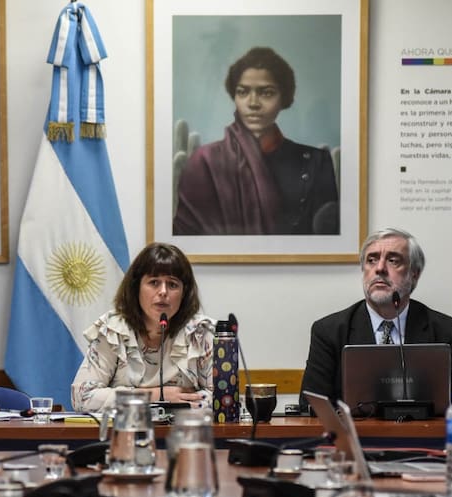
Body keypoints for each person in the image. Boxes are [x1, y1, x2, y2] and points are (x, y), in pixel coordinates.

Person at [299, 227, 452, 411]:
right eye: (371, 260)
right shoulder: (329, 332)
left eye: (393, 260)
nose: (380, 269)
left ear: (414, 274)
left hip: (425, 438)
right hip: (356, 438)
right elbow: (310, 408)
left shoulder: (448, 332)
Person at [173, 46, 339, 236]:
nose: (253, 103)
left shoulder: (316, 162)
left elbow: (326, 240)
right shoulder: (204, 161)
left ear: (284, 98)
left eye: (266, 93)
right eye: (243, 92)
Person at [71, 243, 214, 412]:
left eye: (173, 284)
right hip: (124, 432)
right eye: (154, 282)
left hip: (185, 432)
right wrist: (155, 396)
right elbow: (82, 397)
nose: (163, 292)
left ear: (184, 293)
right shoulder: (114, 330)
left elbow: (222, 398)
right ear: (136, 288)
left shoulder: (200, 333)